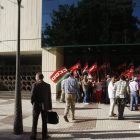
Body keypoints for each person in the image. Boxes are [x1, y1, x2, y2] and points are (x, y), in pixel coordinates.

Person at [30, 73, 52, 140]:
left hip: (36, 105)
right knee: (44, 121)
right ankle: (44, 135)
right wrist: (50, 106)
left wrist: (32, 102)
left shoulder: (35, 85)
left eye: (36, 77)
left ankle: (34, 136)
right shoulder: (48, 85)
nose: (35, 78)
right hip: (45, 105)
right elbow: (49, 97)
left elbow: (32, 96)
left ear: (38, 77)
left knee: (35, 120)